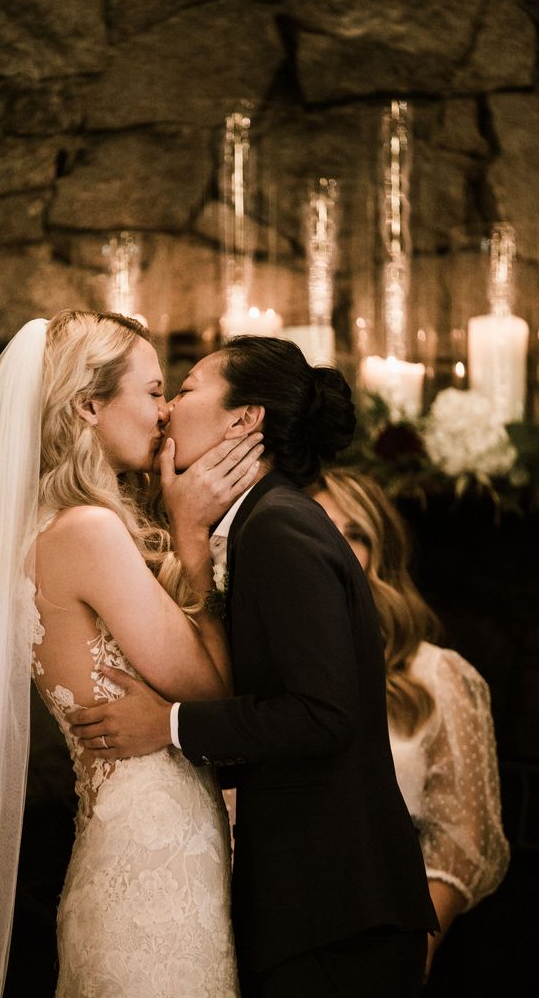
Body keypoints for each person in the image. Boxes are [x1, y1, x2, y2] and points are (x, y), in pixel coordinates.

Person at [0, 310, 263, 998]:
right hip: (151, 870)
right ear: (89, 404)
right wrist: (191, 535)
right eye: (153, 392)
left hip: (141, 851)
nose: (165, 414)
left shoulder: (47, 526)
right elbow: (214, 694)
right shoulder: (86, 531)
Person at [71, 336, 439, 998]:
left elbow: (323, 716)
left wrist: (170, 725)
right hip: (323, 911)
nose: (168, 409)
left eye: (184, 390)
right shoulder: (266, 523)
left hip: (333, 917)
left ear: (246, 420)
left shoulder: (278, 530)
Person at [312, 468, 510, 980]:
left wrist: (412, 954)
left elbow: (461, 840)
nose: (335, 548)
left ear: (380, 555)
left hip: (381, 936)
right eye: (318, 528)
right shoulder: (252, 663)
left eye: (354, 534)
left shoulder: (436, 676)